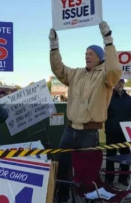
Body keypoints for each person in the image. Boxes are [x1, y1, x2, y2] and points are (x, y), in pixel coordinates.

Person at [49, 21, 122, 202]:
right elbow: (58, 69)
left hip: (89, 132)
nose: (87, 56)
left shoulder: (106, 76)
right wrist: (54, 47)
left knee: (87, 171)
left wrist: (108, 40)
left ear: (100, 57)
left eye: (91, 53)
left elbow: (114, 69)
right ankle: (63, 196)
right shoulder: (76, 74)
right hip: (69, 130)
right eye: (85, 53)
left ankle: (87, 198)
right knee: (63, 165)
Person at [104, 79, 131, 186]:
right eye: (117, 82)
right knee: (110, 156)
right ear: (114, 84)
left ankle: (123, 178)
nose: (119, 84)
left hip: (125, 133)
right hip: (112, 132)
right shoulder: (108, 97)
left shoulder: (128, 98)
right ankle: (109, 179)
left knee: (126, 157)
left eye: (121, 82)